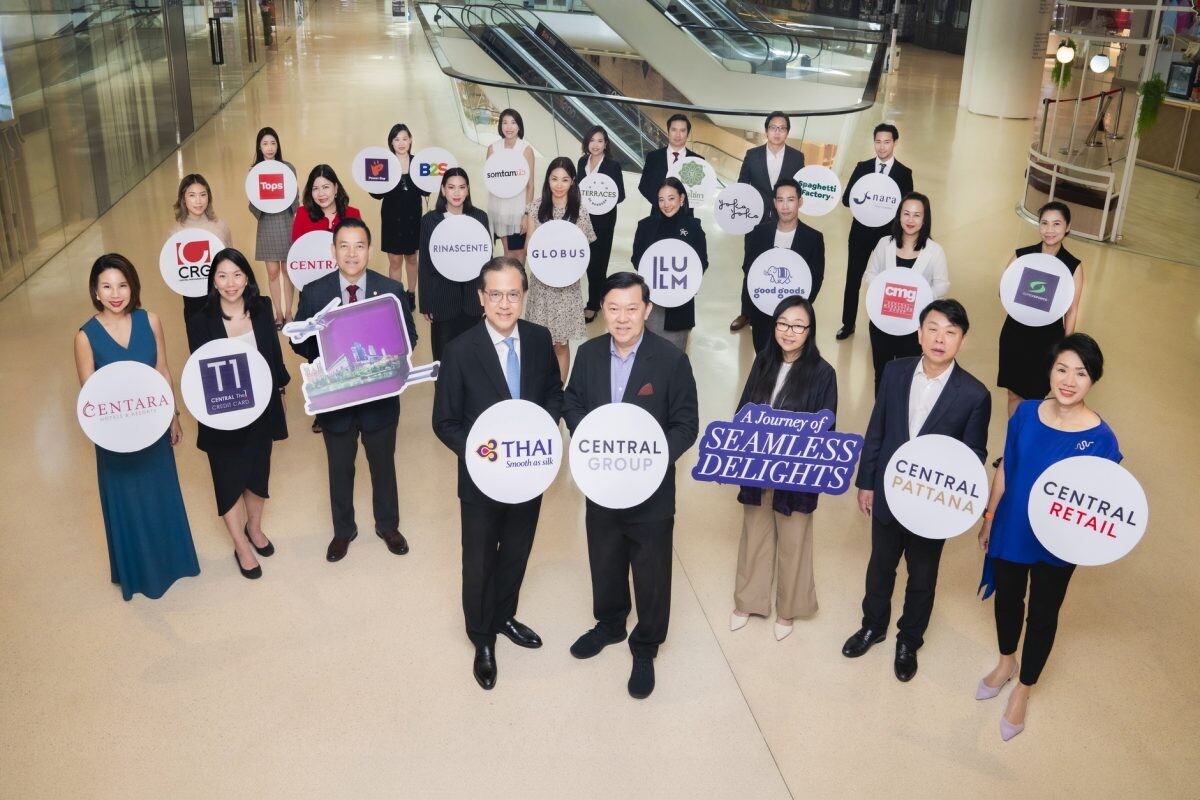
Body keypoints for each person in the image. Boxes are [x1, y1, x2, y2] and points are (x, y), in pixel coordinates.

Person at [976, 334, 1119, 741]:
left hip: (1059, 542)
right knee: (1007, 598)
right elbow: (1005, 467)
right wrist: (989, 516)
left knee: (1042, 614)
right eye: (1062, 369)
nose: (1069, 380)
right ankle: (1006, 663)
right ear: (1050, 371)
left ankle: (1024, 689)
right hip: (1012, 527)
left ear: (1094, 380)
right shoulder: (1025, 414)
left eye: (1081, 372)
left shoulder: (1103, 439)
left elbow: (1101, 504)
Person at [563, 272, 699, 700]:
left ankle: (646, 644)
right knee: (604, 554)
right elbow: (573, 403)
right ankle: (609, 623)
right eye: (613, 308)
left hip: (651, 488)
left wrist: (654, 458)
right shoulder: (586, 355)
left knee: (652, 566)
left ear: (647, 309)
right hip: (601, 482)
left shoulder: (671, 360)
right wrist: (594, 441)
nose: (622, 318)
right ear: (602, 310)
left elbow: (686, 424)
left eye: (631, 308)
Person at [432, 256, 565, 691]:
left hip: (529, 472)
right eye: (495, 295)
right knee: (479, 559)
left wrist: (538, 433)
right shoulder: (459, 350)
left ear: (523, 296)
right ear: (481, 298)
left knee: (517, 550)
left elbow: (552, 394)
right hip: (481, 480)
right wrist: (482, 454)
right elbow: (445, 421)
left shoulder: (541, 338)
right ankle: (481, 637)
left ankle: (505, 614)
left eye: (513, 294)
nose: (504, 304)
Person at [842, 298, 990, 682]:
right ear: (919, 332)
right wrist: (866, 481)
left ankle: (909, 640)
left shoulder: (975, 395)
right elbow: (877, 429)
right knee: (880, 566)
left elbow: (973, 458)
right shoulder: (895, 372)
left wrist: (955, 507)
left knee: (922, 576)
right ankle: (873, 626)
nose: (940, 339)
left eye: (951, 333)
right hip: (889, 493)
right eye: (934, 329)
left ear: (963, 340)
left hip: (932, 504)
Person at [290, 218, 418, 562]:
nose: (351, 253)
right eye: (343, 246)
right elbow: (300, 345)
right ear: (333, 251)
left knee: (383, 465)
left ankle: (388, 525)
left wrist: (389, 353)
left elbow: (410, 338)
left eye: (358, 245)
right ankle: (343, 531)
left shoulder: (390, 289)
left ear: (369, 250)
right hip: (336, 399)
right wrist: (321, 343)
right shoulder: (315, 292)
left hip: (379, 397)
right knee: (339, 467)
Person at [74, 254, 200, 600]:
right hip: (115, 434)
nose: (116, 293)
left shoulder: (151, 320)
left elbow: (162, 368)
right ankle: (138, 572)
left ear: (133, 286)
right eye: (107, 286)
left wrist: (173, 414)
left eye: (123, 284)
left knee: (160, 492)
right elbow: (91, 397)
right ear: (96, 292)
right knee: (127, 500)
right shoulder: (86, 337)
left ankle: (173, 561)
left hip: (153, 425)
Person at [730, 297, 836, 641]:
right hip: (758, 468)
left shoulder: (823, 373)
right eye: (782, 324)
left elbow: (827, 429)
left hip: (796, 475)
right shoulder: (763, 362)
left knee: (794, 540)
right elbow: (743, 410)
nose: (789, 332)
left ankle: (789, 607)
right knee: (755, 534)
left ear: (810, 331)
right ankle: (749, 599)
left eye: (798, 325)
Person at [186, 248, 290, 580]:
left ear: (247, 277)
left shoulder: (262, 309)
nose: (230, 284)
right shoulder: (200, 320)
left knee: (258, 476)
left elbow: (273, 356)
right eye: (222, 276)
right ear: (213, 281)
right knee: (228, 479)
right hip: (221, 413)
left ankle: (254, 529)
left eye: (237, 275)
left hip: (260, 408)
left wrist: (281, 393)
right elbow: (200, 371)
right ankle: (241, 546)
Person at [997, 201, 1084, 418]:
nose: (1049, 230)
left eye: (1056, 224)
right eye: (1044, 223)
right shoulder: (1022, 256)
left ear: (1068, 227)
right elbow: (1003, 292)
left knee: (1035, 398)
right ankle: (1013, 447)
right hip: (1016, 333)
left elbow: (1071, 311)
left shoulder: (1072, 265)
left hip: (1047, 340)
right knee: (1013, 394)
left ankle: (1028, 447)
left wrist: (1065, 348)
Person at [863, 192, 950, 392]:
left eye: (917, 215)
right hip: (882, 323)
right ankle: (882, 419)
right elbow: (870, 274)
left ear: (925, 218)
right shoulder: (884, 243)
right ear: (899, 215)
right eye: (906, 213)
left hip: (913, 328)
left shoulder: (935, 250)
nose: (910, 220)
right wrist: (885, 290)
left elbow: (942, 284)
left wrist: (919, 296)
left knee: (908, 377)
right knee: (882, 374)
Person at [730, 112, 806, 333]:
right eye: (773, 127)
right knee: (751, 265)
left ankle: (779, 311)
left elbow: (799, 190)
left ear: (787, 132)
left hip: (786, 221)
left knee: (782, 266)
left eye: (782, 128)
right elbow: (742, 186)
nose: (777, 132)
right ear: (766, 130)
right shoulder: (752, 155)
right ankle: (746, 312)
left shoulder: (797, 157)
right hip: (755, 222)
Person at [837, 123, 914, 340]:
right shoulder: (862, 167)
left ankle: (881, 323)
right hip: (860, 233)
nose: (881, 147)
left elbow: (907, 208)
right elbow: (846, 199)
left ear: (895, 143)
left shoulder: (904, 173)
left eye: (886, 142)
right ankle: (848, 323)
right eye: (878, 142)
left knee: (884, 280)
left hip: (888, 237)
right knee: (853, 278)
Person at [523, 157, 597, 381]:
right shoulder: (536, 207)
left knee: (561, 344)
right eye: (554, 178)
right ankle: (539, 388)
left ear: (573, 182)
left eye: (565, 179)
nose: (559, 184)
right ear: (547, 180)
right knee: (539, 342)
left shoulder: (580, 212)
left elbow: (583, 251)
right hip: (541, 285)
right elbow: (529, 246)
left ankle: (558, 391)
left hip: (567, 287)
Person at [738, 178, 825, 354]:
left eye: (791, 200)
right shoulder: (759, 233)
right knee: (762, 360)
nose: (785, 206)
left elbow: (815, 278)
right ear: (774, 203)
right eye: (780, 200)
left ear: (800, 202)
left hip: (793, 320)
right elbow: (749, 269)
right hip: (762, 314)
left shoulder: (813, 238)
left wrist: (796, 310)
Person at [417, 167, 490, 360]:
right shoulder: (429, 221)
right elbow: (424, 264)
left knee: (474, 360)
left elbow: (486, 263)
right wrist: (426, 303)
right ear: (443, 190)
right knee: (444, 360)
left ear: (467, 190)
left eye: (461, 187)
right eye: (451, 187)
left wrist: (488, 299)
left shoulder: (479, 217)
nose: (456, 193)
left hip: (473, 302)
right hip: (442, 301)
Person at [630, 177, 707, 351]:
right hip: (652, 300)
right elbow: (636, 259)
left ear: (682, 198)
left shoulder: (694, 227)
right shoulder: (645, 226)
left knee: (674, 357)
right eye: (661, 199)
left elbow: (702, 262)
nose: (666, 204)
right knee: (647, 354)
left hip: (680, 302)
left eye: (671, 198)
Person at [370, 123, 429, 310]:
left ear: (410, 140)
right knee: (395, 260)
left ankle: (411, 293)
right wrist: (372, 182)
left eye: (404, 138)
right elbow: (377, 194)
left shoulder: (419, 162)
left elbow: (426, 189)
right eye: (396, 139)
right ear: (391, 143)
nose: (401, 143)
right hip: (391, 218)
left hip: (412, 217)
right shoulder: (384, 163)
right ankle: (395, 294)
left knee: (412, 258)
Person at [248, 128, 299, 327]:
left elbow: (295, 196)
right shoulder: (255, 172)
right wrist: (263, 207)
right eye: (265, 144)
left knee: (288, 270)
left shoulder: (288, 168)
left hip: (286, 222)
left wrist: (290, 207)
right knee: (272, 272)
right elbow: (252, 202)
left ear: (278, 146)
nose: (269, 148)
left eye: (273, 143)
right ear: (259, 147)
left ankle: (288, 312)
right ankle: (277, 313)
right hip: (267, 223)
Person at [576, 125, 626, 323]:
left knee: (599, 263)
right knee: (587, 261)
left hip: (604, 222)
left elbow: (620, 195)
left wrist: (602, 198)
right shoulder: (582, 162)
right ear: (586, 143)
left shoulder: (612, 166)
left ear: (606, 144)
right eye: (592, 140)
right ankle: (599, 297)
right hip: (583, 220)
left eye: (600, 141)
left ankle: (593, 304)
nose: (595, 145)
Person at [171, 173, 233, 321]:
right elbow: (174, 270)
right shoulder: (176, 232)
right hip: (192, 298)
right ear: (183, 199)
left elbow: (231, 260)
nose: (198, 201)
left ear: (208, 197)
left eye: (203, 195)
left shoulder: (220, 226)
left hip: (221, 294)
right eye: (192, 195)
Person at [485, 108, 535, 262]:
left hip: (518, 210)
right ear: (500, 126)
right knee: (507, 253)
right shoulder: (493, 148)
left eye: (513, 122)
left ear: (519, 126)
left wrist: (526, 215)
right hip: (499, 209)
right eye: (505, 122)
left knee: (519, 254)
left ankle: (520, 286)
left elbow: (530, 185)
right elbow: (490, 179)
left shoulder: (525, 149)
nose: (509, 127)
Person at [637, 114, 700, 207]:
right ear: (668, 132)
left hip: (686, 217)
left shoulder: (698, 160)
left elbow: (700, 191)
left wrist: (681, 204)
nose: (678, 135)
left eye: (682, 130)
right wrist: (662, 204)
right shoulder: (653, 157)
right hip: (658, 215)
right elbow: (644, 186)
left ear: (688, 134)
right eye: (674, 130)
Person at [291, 164, 361, 241]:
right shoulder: (302, 214)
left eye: (325, 187)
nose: (321, 193)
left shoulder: (353, 214)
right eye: (315, 188)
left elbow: (359, 246)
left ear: (336, 188)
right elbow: (297, 249)